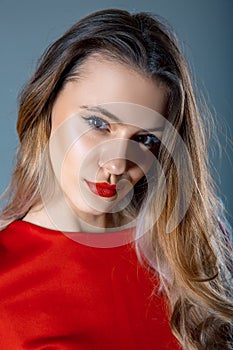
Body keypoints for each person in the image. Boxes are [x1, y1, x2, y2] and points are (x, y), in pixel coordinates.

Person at [0, 8, 232, 350]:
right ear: (47, 107)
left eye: (145, 140)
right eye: (98, 124)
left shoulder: (198, 255)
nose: (116, 164)